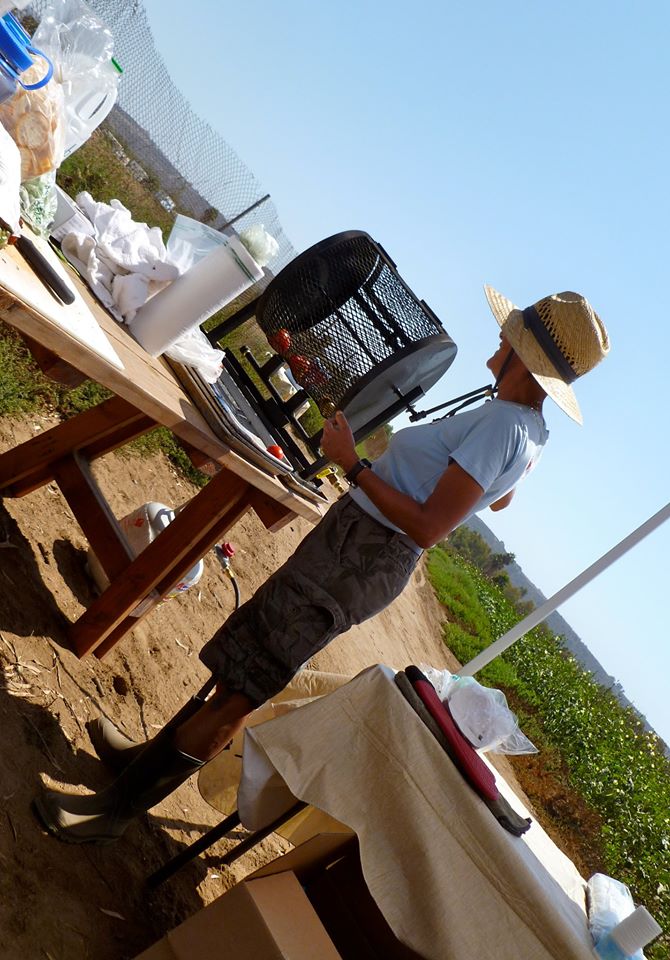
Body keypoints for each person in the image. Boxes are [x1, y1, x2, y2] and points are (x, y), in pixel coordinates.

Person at [33, 286, 610, 844]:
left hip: (363, 554)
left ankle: (115, 813)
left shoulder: (502, 424)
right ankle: (138, 764)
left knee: (247, 686)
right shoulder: (527, 428)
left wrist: (352, 466)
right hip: (360, 548)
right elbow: (498, 497)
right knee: (245, 657)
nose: (498, 337)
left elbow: (431, 526)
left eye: (508, 334)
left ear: (523, 356)